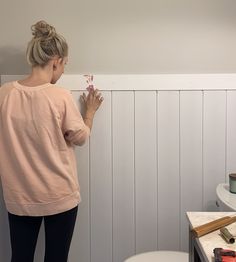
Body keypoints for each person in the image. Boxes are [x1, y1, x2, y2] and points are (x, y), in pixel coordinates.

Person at [0, 20, 103, 262]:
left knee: (20, 257)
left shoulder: (4, 94)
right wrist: (89, 113)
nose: (64, 70)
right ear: (55, 60)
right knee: (57, 258)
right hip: (60, 196)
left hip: (19, 197)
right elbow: (80, 137)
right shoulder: (60, 96)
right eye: (65, 64)